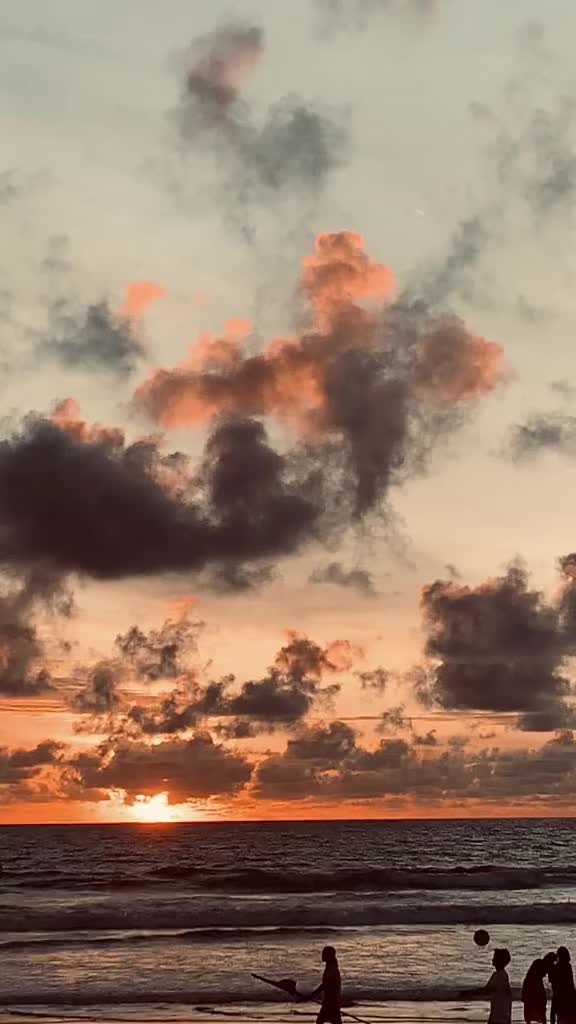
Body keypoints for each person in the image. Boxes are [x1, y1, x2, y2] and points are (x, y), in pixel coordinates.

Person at [310, 946, 342, 1024]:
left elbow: (325, 985)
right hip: (330, 1001)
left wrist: (313, 994)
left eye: (324, 953)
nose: (322, 955)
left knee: (320, 1021)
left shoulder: (332, 968)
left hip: (331, 1001)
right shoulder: (330, 967)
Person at [485, 948, 513, 1024]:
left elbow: (487, 990)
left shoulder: (499, 975)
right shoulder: (503, 975)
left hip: (499, 1016)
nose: (492, 959)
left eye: (494, 958)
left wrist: (468, 993)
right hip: (503, 1015)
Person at [549, 947, 576, 1024]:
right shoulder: (568, 966)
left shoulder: (555, 967)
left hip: (558, 995)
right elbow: (570, 983)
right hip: (570, 995)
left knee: (555, 1016)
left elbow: (552, 981)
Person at [522, 959, 548, 1024]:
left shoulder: (530, 977)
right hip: (533, 992)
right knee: (540, 1012)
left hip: (531, 993)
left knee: (530, 1012)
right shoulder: (536, 979)